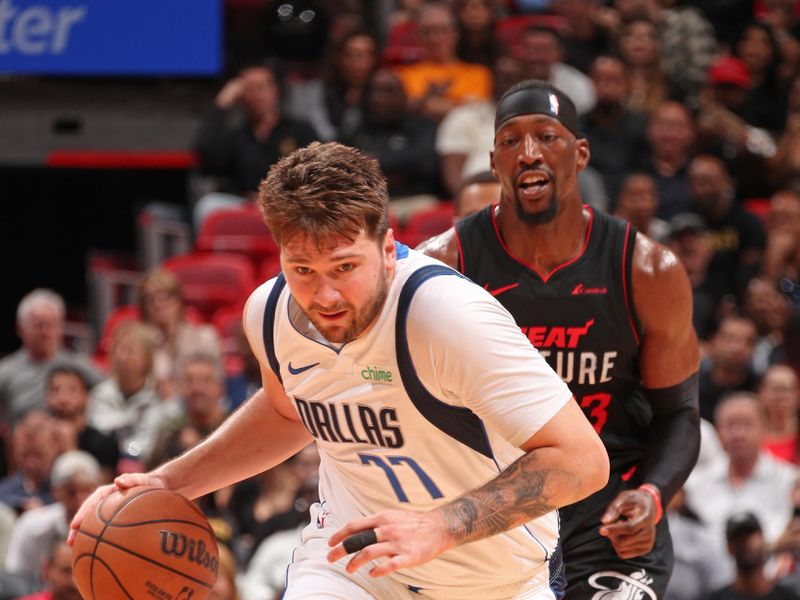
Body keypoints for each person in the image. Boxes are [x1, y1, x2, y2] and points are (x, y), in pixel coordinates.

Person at [69, 141, 609, 600]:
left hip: (493, 579)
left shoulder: (447, 318)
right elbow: (289, 413)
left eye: (344, 267)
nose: (323, 295)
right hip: (351, 567)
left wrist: (441, 526)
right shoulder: (269, 312)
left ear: (389, 249)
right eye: (301, 269)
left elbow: (582, 461)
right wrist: (167, 483)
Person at [417, 79, 701, 598]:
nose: (528, 153)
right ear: (494, 160)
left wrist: (653, 496)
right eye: (510, 141)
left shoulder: (646, 270)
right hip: (496, 512)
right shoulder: (442, 266)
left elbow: (679, 412)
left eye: (547, 136)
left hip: (608, 517)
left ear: (581, 153)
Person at [0, 289, 102, 429]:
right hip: (23, 443)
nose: (45, 332)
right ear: (20, 328)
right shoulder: (5, 371)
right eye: (38, 325)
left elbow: (109, 390)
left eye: (52, 324)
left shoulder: (78, 365)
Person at [708, 511, 800, 600]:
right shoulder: (716, 598)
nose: (744, 542)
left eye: (750, 535)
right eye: (738, 538)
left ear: (763, 539)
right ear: (728, 547)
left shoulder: (788, 597)